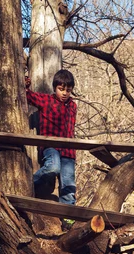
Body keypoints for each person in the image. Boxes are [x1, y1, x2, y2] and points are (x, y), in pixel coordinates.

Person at [25, 69, 77, 210]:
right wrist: (26, 85)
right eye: (61, 89)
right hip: (51, 146)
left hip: (69, 151)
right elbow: (28, 96)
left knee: (68, 183)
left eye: (68, 90)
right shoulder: (47, 100)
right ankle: (28, 184)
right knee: (53, 167)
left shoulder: (73, 106)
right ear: (55, 88)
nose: (65, 93)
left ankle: (68, 215)